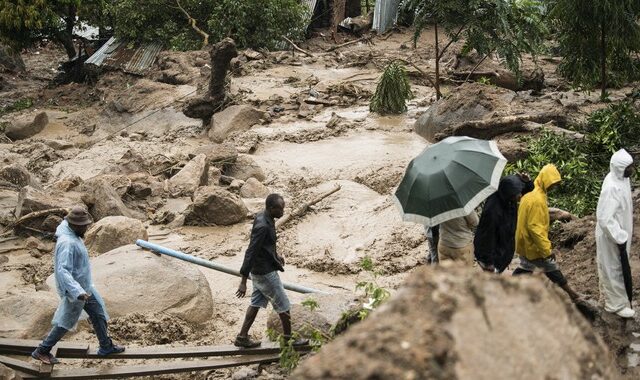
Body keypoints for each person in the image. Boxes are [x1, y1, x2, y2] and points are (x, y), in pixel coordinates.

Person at [31, 206, 125, 364]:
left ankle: (105, 346)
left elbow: (61, 226)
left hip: (85, 286)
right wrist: (77, 291)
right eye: (83, 226)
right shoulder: (67, 243)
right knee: (66, 321)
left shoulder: (69, 230)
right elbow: (63, 271)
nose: (86, 228)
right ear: (74, 225)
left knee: (98, 313)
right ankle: (42, 350)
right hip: (75, 289)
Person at [235, 194, 308, 348]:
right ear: (271, 208)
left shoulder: (265, 216)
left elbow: (265, 245)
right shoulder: (263, 225)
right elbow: (251, 251)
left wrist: (276, 255)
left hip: (260, 270)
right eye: (281, 209)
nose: (283, 211)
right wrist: (243, 281)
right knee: (284, 304)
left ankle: (242, 337)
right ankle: (289, 339)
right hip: (265, 273)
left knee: (255, 303)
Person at [512, 164, 580, 300]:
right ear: (545, 180)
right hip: (533, 245)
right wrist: (547, 250)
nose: (553, 187)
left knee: (526, 267)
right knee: (551, 267)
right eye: (552, 183)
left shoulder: (532, 193)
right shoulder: (537, 199)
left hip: (524, 241)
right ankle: (573, 294)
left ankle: (508, 289)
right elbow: (535, 228)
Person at [596, 149, 635, 318]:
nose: (632, 170)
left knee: (617, 266)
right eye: (629, 167)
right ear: (620, 168)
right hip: (611, 236)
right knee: (613, 268)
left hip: (620, 232)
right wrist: (619, 237)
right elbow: (604, 218)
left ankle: (612, 297)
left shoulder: (621, 179)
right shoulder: (612, 187)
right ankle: (615, 305)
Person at [474, 173, 534, 273]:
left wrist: (527, 182)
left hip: (503, 251)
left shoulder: (508, 198)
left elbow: (527, 192)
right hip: (493, 259)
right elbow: (486, 238)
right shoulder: (493, 210)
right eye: (517, 194)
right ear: (509, 193)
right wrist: (488, 263)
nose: (520, 196)